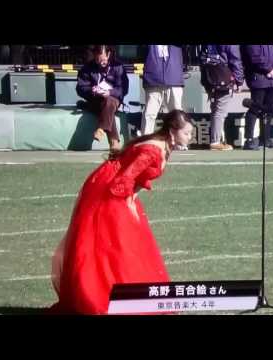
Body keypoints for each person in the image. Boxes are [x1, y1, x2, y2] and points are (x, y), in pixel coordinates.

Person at [48, 110, 194, 315]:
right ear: (172, 131)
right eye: (186, 133)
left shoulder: (163, 145)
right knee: (112, 244)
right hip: (110, 190)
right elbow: (123, 180)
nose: (189, 137)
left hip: (121, 189)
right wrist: (128, 201)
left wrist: (133, 197)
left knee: (124, 243)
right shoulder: (152, 150)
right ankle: (98, 296)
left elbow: (137, 178)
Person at [76, 45, 129, 151]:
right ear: (94, 56)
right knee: (106, 107)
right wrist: (92, 90)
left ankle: (101, 129)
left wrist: (109, 92)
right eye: (97, 60)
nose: (101, 62)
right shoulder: (87, 68)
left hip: (114, 99)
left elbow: (123, 89)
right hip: (95, 100)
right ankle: (114, 142)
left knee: (109, 101)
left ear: (108, 54)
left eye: (103, 59)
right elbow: (80, 88)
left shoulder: (118, 67)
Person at [241, 45, 273, 150]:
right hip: (259, 78)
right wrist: (269, 70)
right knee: (254, 109)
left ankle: (265, 139)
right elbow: (255, 57)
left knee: (268, 110)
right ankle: (249, 139)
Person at [199, 45, 244, 151]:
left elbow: (202, 59)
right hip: (224, 78)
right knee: (220, 111)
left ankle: (218, 139)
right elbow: (235, 60)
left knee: (216, 110)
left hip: (211, 79)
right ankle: (215, 141)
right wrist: (239, 80)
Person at [140, 45, 185, 139]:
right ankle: (146, 140)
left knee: (177, 113)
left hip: (173, 78)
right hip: (153, 79)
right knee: (149, 114)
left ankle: (180, 140)